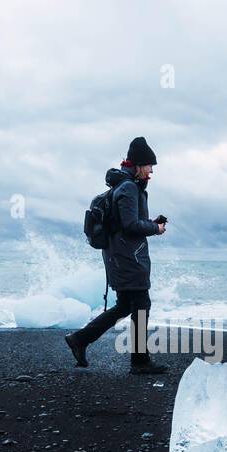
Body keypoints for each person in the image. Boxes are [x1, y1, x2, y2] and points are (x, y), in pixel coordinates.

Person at [65, 137, 169, 374]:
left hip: (119, 256)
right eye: (150, 166)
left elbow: (126, 223)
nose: (152, 171)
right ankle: (140, 362)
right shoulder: (129, 188)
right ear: (140, 165)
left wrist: (150, 224)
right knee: (141, 305)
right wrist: (156, 228)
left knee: (124, 306)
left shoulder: (122, 186)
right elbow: (131, 225)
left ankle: (80, 339)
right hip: (128, 258)